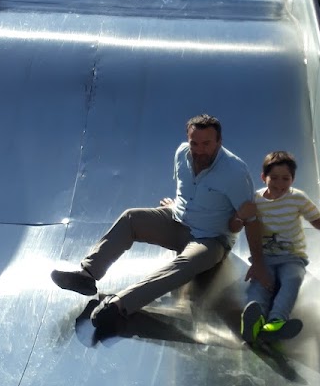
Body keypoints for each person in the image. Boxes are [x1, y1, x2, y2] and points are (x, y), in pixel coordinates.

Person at [51, 114, 272, 335]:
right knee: (131, 218)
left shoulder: (235, 172)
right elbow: (189, 191)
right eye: (194, 143)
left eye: (207, 144)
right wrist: (176, 205)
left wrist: (259, 262)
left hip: (211, 239)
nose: (200, 150)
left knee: (186, 262)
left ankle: (119, 305)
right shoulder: (182, 154)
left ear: (219, 142)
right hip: (177, 220)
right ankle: (87, 275)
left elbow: (251, 219)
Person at [231, 150, 320, 345]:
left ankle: (276, 322)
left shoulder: (297, 198)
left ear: (292, 179)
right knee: (259, 286)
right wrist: (239, 217)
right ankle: (254, 321)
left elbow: (314, 218)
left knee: (292, 279)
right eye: (274, 178)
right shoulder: (255, 200)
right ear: (263, 177)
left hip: (292, 257)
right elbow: (238, 224)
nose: (280, 184)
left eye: (285, 179)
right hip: (265, 258)